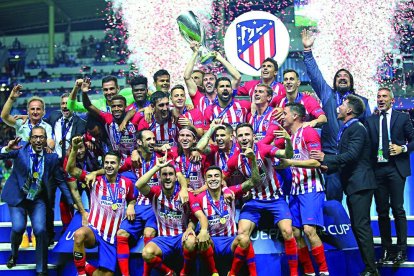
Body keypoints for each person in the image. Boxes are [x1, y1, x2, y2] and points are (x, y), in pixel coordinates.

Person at [311, 95, 378, 276]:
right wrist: (328, 167)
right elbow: (345, 161)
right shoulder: (347, 128)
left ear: (349, 110)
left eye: (342, 105)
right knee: (358, 226)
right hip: (354, 184)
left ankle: (372, 269)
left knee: (361, 227)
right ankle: (370, 267)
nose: (338, 107)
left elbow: (352, 156)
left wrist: (327, 158)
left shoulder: (356, 128)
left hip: (361, 184)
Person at [301, 29, 371, 202]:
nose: (342, 78)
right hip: (331, 156)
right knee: (333, 201)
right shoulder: (327, 95)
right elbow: (315, 75)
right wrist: (307, 51)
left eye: (346, 76)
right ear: (334, 81)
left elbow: (369, 130)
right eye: (339, 76)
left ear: (351, 81)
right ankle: (333, 229)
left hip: (354, 160)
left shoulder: (362, 102)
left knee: (357, 203)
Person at [224, 123, 299, 276]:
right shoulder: (234, 160)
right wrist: (225, 189)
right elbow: (222, 178)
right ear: (236, 138)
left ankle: (294, 273)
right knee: (242, 235)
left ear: (253, 136)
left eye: (247, 135)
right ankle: (239, 273)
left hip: (275, 199)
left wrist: (289, 142)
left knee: (288, 231)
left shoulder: (263, 148)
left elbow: (288, 155)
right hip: (253, 201)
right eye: (241, 135)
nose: (244, 138)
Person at [0, 126, 76, 275]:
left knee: (41, 230)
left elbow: (60, 181)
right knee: (18, 228)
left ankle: (41, 269)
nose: (38, 140)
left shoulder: (52, 157)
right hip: (18, 196)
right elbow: (1, 156)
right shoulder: (20, 149)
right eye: (35, 137)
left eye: (41, 137)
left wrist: (71, 201)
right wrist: (7, 149)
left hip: (37, 198)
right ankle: (14, 254)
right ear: (30, 139)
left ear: (45, 138)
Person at [66, 137, 136, 276]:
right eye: (107, 163)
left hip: (112, 236)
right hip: (95, 230)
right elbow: (71, 169)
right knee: (79, 235)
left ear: (119, 164)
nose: (109, 166)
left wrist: (131, 206)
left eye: (113, 163)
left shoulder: (127, 183)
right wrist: (74, 149)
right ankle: (81, 273)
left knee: (107, 275)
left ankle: (87, 267)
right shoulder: (94, 180)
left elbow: (132, 199)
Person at [136, 153, 210, 276]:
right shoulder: (155, 193)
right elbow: (139, 185)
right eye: (164, 174)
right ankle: (169, 273)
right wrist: (157, 167)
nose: (168, 177)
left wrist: (203, 231)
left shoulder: (186, 195)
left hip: (181, 237)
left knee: (191, 242)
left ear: (176, 178)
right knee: (146, 253)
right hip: (163, 239)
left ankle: (184, 272)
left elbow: (201, 216)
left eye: (171, 174)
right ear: (159, 178)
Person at [365, 87, 414, 264]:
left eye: (384, 96)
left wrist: (404, 149)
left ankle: (402, 249)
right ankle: (387, 249)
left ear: (392, 100)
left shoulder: (402, 118)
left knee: (398, 209)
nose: (381, 99)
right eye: (378, 96)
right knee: (382, 210)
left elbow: (413, 139)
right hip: (377, 169)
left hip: (396, 168)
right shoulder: (370, 120)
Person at [281, 103, 329, 275]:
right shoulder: (291, 137)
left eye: (285, 113)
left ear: (295, 116)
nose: (282, 116)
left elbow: (316, 162)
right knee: (295, 231)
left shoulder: (308, 132)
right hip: (295, 190)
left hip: (311, 188)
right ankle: (309, 271)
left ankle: (323, 271)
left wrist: (290, 162)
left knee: (309, 230)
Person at [191, 158, 260, 275]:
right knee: (200, 239)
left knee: (244, 239)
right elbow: (193, 218)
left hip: (230, 241)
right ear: (205, 180)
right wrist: (190, 228)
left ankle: (232, 273)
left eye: (216, 176)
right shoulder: (199, 197)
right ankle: (214, 272)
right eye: (210, 176)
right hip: (211, 242)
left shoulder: (231, 192)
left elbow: (254, 181)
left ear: (222, 179)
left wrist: (253, 160)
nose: (213, 179)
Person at [82, 80, 142, 157]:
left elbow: (137, 110)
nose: (116, 109)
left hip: (133, 159)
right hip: (115, 160)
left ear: (125, 107)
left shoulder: (134, 117)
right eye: (113, 106)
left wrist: (125, 121)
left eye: (120, 106)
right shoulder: (108, 118)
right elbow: (88, 106)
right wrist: (84, 93)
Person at [184, 42, 242, 114]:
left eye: (211, 79)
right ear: (202, 84)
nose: (208, 81)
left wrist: (220, 58)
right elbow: (186, 77)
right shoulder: (198, 98)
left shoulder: (225, 95)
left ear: (217, 84)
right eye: (205, 80)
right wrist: (195, 53)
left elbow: (237, 77)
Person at [1, 84, 54, 152]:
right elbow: (4, 116)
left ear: (43, 112)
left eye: (38, 109)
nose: (35, 112)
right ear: (28, 111)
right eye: (32, 109)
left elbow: (50, 140)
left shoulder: (47, 127)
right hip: (22, 160)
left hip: (39, 159)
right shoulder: (21, 123)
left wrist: (50, 147)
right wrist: (11, 98)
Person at [46, 93, 86, 161]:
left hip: (71, 161)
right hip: (55, 162)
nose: (65, 106)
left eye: (68, 103)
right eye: (63, 103)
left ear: (74, 105)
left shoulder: (81, 123)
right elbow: (41, 122)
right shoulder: (53, 116)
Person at [67, 76, 135, 113]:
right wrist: (76, 87)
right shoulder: (98, 104)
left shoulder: (128, 99)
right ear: (102, 90)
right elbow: (71, 106)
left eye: (111, 89)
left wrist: (146, 109)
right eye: (105, 90)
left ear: (118, 88)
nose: (109, 92)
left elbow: (144, 95)